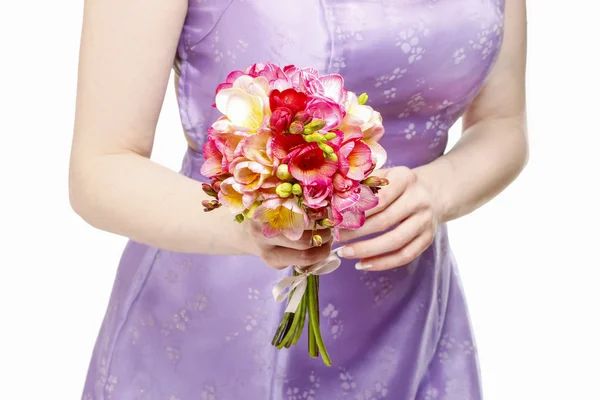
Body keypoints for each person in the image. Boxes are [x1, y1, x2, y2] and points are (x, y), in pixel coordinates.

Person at [71, 0, 527, 398]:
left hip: (407, 312)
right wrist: (254, 228)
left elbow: (502, 122)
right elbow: (101, 167)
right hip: (221, 318)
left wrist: (440, 188)